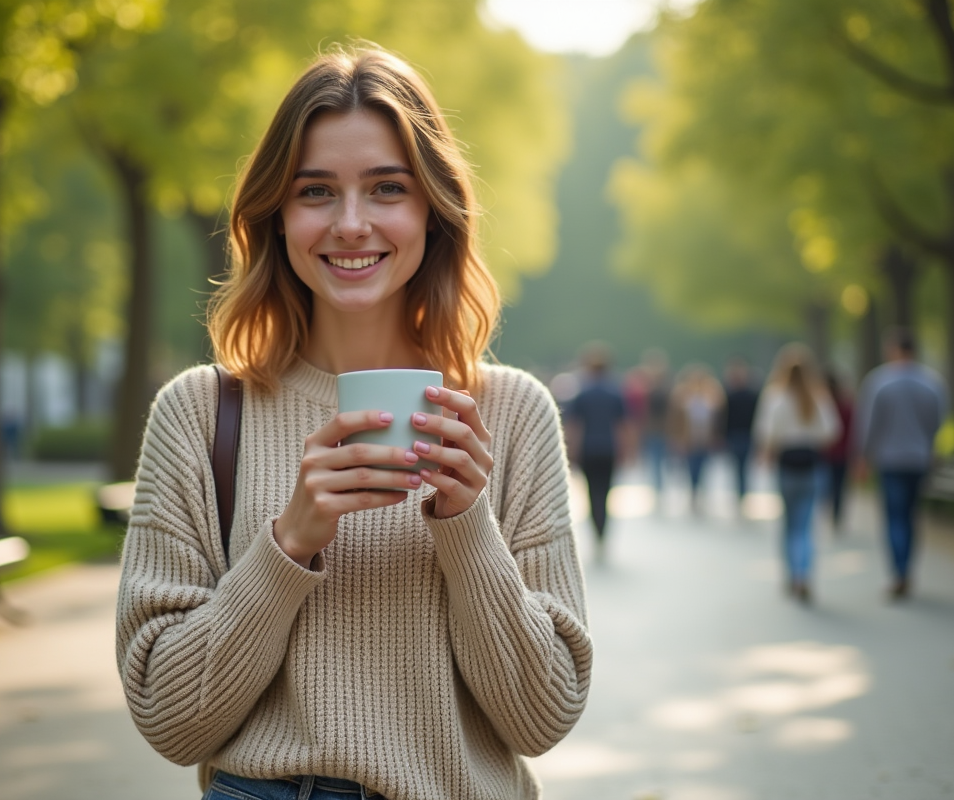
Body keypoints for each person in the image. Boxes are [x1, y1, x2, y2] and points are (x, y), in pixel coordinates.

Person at [115, 46, 592, 800]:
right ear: (276, 216)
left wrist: (467, 523)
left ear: (432, 210)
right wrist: (288, 543)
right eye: (315, 192)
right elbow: (171, 723)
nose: (350, 223)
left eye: (385, 188)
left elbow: (543, 716)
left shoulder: (514, 414)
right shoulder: (200, 414)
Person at [853, 328, 948, 601]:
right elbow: (938, 421)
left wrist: (863, 456)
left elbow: (868, 424)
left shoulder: (878, 382)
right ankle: (907, 568)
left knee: (894, 516)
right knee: (910, 515)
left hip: (889, 459)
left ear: (893, 350)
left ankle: (899, 571)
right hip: (918, 458)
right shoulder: (932, 383)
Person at [754, 344, 838, 604]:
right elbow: (831, 432)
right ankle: (804, 573)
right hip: (811, 464)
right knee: (805, 524)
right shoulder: (818, 397)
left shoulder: (775, 397)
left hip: (787, 464)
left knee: (789, 524)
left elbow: (765, 433)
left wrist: (767, 456)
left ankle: (792, 574)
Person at [566, 341, 628, 556]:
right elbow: (622, 426)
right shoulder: (615, 393)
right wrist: (625, 450)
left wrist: (572, 451)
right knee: (607, 492)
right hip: (608, 448)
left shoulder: (582, 393)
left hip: (588, 449)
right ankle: (603, 532)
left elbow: (575, 426)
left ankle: (596, 531)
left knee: (592, 493)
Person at [668, 363, 724, 514]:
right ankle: (693, 493)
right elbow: (677, 421)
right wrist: (677, 438)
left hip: (705, 439)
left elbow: (717, 420)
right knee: (691, 467)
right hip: (689, 439)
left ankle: (699, 491)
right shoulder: (682, 397)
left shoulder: (712, 396)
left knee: (702, 467)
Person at [722, 356, 760, 510]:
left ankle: (743, 493)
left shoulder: (752, 395)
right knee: (739, 467)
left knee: (743, 467)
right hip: (735, 435)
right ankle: (741, 493)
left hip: (746, 435)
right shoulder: (728, 395)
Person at [822, 369, 854, 531]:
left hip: (825, 453)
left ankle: (826, 510)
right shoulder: (846, 405)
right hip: (842, 453)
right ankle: (837, 514)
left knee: (826, 485)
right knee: (839, 486)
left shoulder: (821, 405)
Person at [638, 348, 672, 497]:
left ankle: (659, 488)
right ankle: (658, 488)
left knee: (659, 461)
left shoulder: (666, 389)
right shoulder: (648, 389)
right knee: (655, 461)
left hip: (662, 430)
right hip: (653, 430)